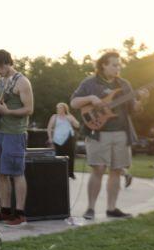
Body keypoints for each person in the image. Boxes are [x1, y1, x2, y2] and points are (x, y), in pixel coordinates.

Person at [71, 51, 148, 220]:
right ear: (103, 65)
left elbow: (134, 109)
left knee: (116, 170)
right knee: (98, 169)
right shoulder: (90, 83)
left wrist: (141, 100)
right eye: (114, 64)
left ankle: (111, 208)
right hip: (98, 133)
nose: (118, 68)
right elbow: (74, 102)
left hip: (121, 133)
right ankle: (90, 208)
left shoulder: (124, 84)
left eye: (119, 64)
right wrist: (91, 98)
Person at [0, 50, 34, 226]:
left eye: (1, 66)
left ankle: (20, 214)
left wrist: (9, 112)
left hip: (15, 133)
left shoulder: (22, 82)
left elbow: (29, 109)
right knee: (0, 173)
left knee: (16, 173)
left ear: (8, 62)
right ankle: (4, 211)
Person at [46, 102, 80, 179]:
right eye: (57, 108)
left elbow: (77, 125)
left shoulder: (69, 116)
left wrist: (72, 120)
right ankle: (59, 172)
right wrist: (50, 138)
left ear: (64, 109)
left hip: (69, 137)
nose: (59, 109)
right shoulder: (54, 117)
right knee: (59, 155)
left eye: (60, 108)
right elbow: (49, 128)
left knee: (70, 155)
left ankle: (70, 173)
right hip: (57, 139)